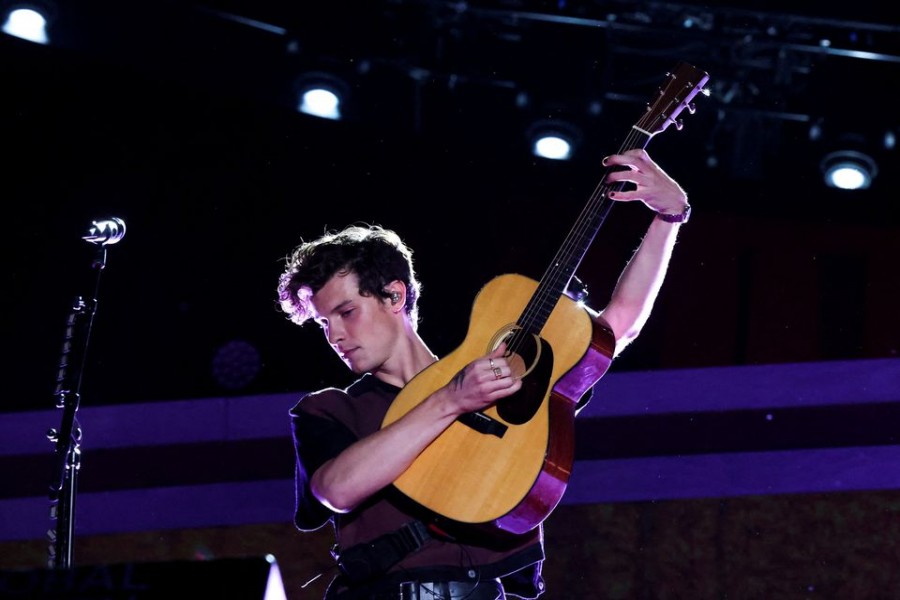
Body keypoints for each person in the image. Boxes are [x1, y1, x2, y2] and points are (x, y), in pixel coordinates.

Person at [276, 148, 691, 599]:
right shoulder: (331, 409)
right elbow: (337, 489)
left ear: (394, 297)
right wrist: (450, 399)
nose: (334, 334)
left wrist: (668, 219)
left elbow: (615, 329)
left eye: (346, 311)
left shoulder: (500, 375)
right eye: (323, 323)